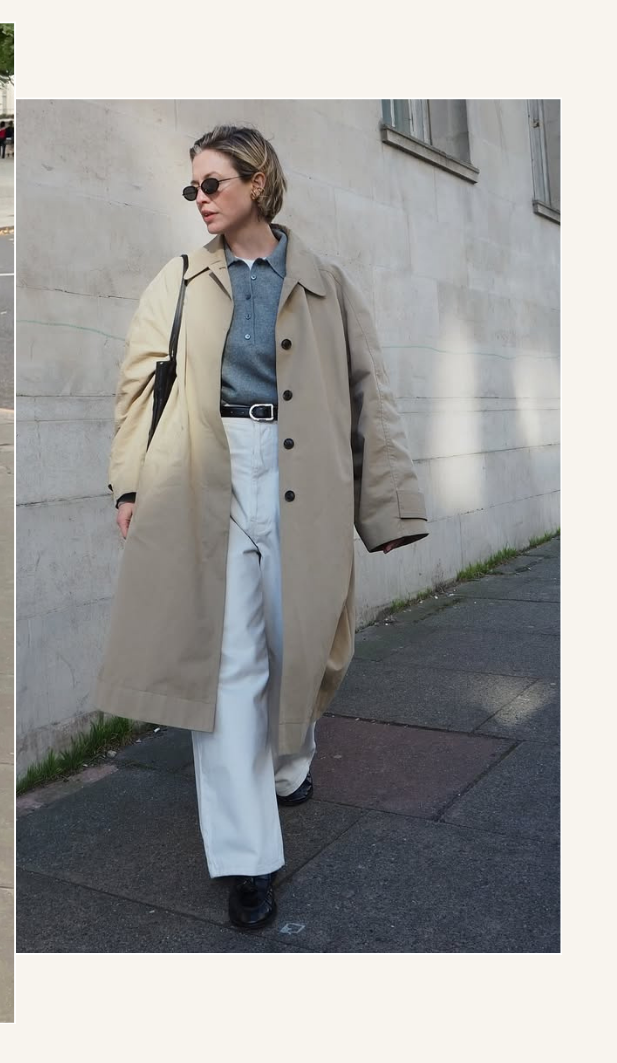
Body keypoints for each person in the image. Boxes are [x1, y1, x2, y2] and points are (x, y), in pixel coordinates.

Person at [96, 125, 427, 931]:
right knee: (229, 666)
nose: (200, 200)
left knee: (300, 640)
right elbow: (139, 388)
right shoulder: (176, 281)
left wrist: (386, 506)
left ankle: (290, 757)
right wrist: (130, 484)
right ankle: (248, 858)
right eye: (193, 188)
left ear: (257, 182)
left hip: (302, 476)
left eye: (213, 184)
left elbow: (367, 395)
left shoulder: (325, 283)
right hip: (206, 472)